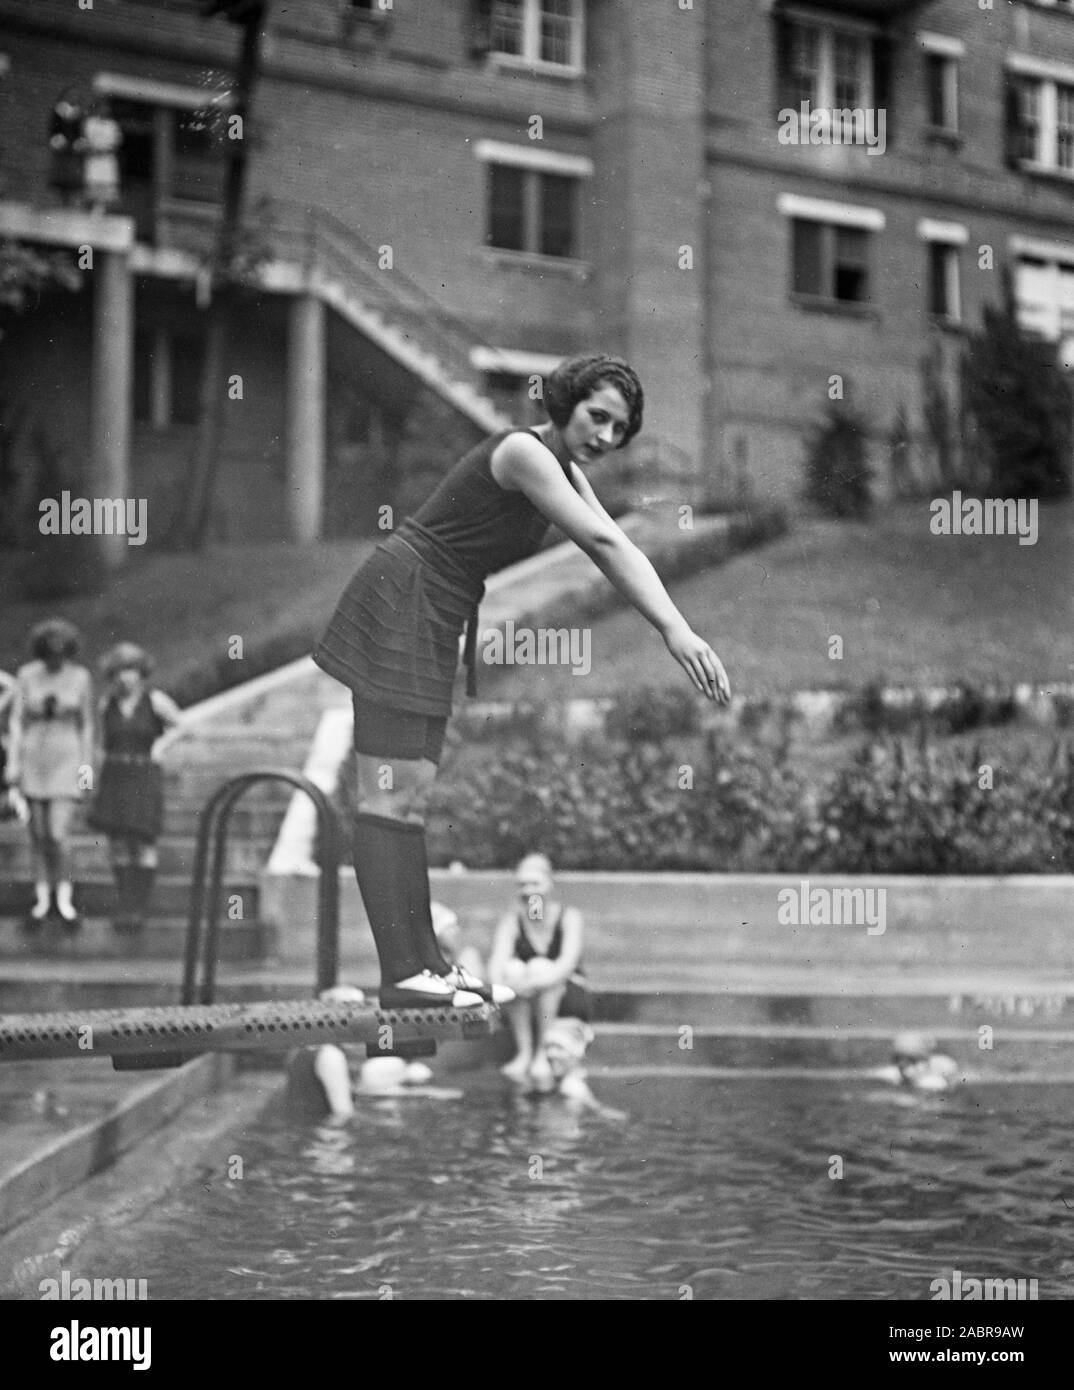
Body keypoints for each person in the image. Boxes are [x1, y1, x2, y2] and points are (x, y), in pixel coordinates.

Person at [313, 353, 730, 1014]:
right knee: (388, 793)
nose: (606, 437)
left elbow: (614, 538)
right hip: (404, 599)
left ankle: (429, 969)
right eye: (598, 417)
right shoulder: (523, 451)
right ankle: (403, 974)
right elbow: (600, 541)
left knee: (409, 793)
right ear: (564, 402)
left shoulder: (558, 464)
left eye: (621, 429)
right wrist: (675, 631)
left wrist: (672, 623)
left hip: (431, 607)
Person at [3, 619, 94, 929]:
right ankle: (42, 899)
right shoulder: (27, 675)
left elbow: (87, 725)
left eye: (60, 653)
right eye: (49, 653)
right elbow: (16, 722)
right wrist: (13, 765)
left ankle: (65, 898)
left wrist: (86, 771)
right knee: (38, 834)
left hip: (66, 756)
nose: (55, 659)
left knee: (57, 833)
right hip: (34, 755)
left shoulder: (80, 677)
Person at [87, 643, 183, 933]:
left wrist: (160, 745)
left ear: (141, 673)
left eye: (130, 670)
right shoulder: (107, 704)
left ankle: (139, 908)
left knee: (142, 842)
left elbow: (180, 725)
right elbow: (100, 742)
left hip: (143, 775)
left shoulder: (155, 700)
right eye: (118, 672)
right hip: (115, 775)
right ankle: (124, 905)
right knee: (118, 844)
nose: (124, 678)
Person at [488, 853, 591, 1088]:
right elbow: (496, 965)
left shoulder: (568, 917)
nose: (528, 891)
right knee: (513, 969)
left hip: (566, 994)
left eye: (535, 884)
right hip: (524, 995)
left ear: (549, 885)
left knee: (539, 966)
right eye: (522, 884)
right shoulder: (512, 921)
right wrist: (507, 985)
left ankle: (541, 1053)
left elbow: (566, 964)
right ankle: (524, 1053)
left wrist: (533, 982)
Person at [285, 985, 455, 1122]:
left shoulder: (304, 1047)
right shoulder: (331, 1056)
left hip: (300, 1133)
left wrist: (426, 1093)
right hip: (323, 1144)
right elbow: (342, 1114)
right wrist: (383, 1122)